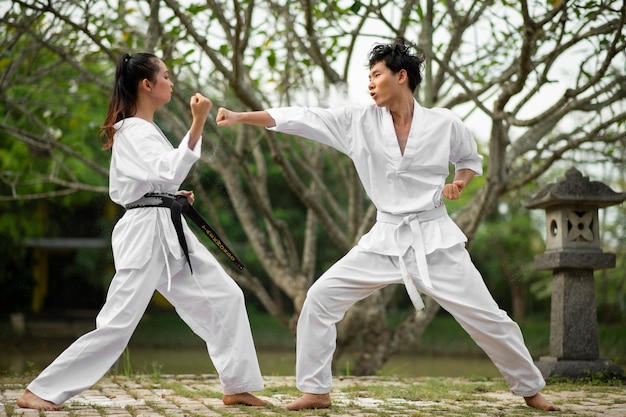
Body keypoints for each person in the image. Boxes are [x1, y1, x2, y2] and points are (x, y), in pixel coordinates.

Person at [215, 39, 560, 412]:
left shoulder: (445, 123)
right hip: (384, 239)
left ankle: (530, 390)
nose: (370, 83)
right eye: (368, 76)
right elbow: (303, 117)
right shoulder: (357, 122)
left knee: (488, 317)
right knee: (319, 299)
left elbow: (469, 160)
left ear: (401, 76)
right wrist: (240, 117)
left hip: (435, 239)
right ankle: (316, 390)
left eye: (376, 74)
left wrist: (459, 183)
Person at [17, 53, 267, 411]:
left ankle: (238, 385)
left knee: (226, 298)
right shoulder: (133, 129)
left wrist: (172, 195)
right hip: (145, 233)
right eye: (165, 76)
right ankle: (40, 391)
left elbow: (160, 178)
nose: (171, 82)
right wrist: (197, 122)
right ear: (147, 85)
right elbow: (166, 171)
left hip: (166, 227)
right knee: (118, 322)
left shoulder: (144, 130)